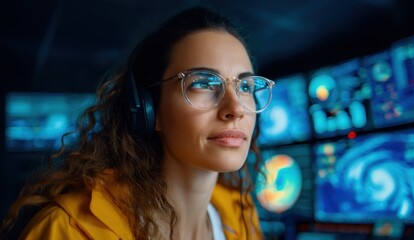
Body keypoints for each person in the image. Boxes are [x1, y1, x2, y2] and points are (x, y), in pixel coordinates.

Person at [1, 6, 275, 240]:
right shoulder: (68, 230)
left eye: (246, 86)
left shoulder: (240, 216)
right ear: (149, 108)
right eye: (203, 83)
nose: (236, 108)